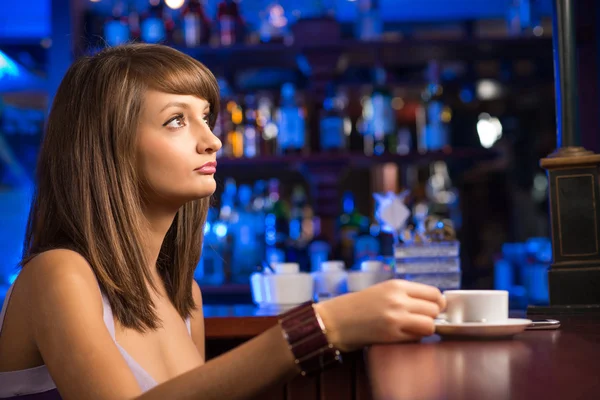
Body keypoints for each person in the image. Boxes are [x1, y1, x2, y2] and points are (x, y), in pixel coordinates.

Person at [0, 44, 445, 400]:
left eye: (206, 118)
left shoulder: (183, 297)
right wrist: (324, 327)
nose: (212, 140)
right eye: (176, 120)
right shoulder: (58, 274)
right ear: (107, 148)